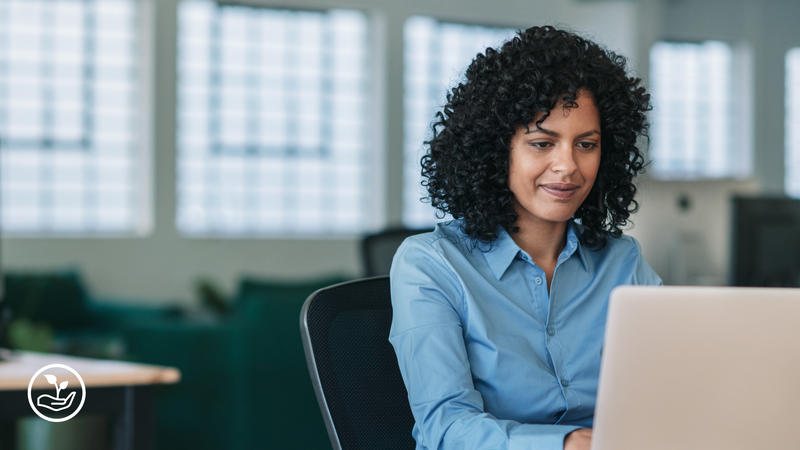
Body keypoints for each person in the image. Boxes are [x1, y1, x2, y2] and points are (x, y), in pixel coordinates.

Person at [389, 25, 662, 450]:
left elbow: (672, 390)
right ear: (497, 150)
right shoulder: (431, 264)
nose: (567, 166)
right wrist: (568, 444)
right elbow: (445, 428)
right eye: (541, 143)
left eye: (586, 144)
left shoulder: (623, 263)